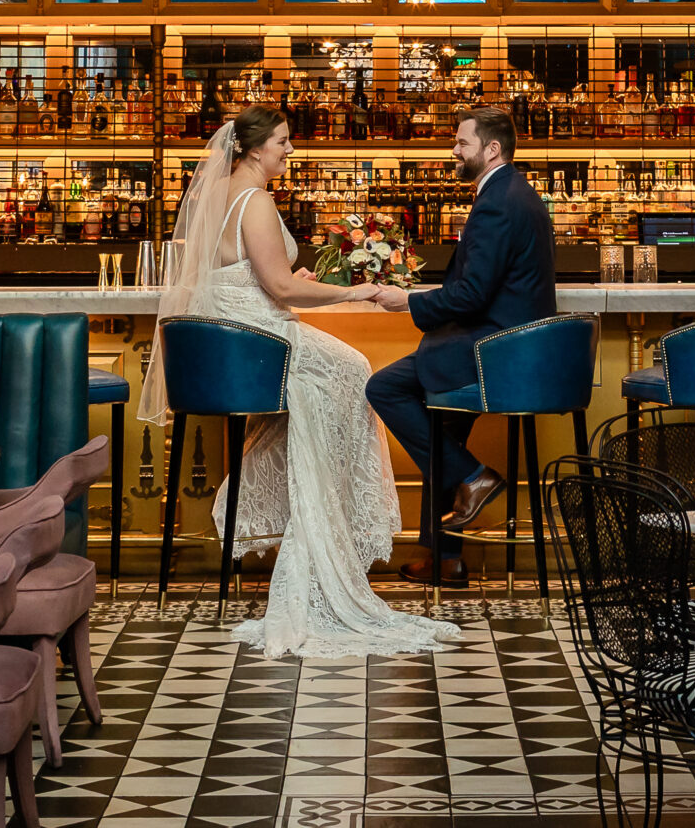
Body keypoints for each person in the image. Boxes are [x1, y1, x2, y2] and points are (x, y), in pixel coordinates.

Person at [140, 105, 460, 658]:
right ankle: (326, 532)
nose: (290, 151)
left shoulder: (215, 198)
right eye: (284, 142)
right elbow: (282, 295)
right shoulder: (256, 200)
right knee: (354, 369)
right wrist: (350, 292)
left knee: (328, 385)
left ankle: (313, 523)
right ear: (255, 148)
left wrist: (291, 281)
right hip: (260, 343)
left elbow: (249, 277)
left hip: (228, 348)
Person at [363, 105, 557, 587]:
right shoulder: (515, 193)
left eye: (462, 143)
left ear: (491, 149)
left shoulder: (498, 201)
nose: (454, 150)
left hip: (493, 352)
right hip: (511, 349)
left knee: (384, 388)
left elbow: (473, 293)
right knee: (441, 433)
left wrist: (408, 301)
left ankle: (474, 477)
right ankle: (444, 557)